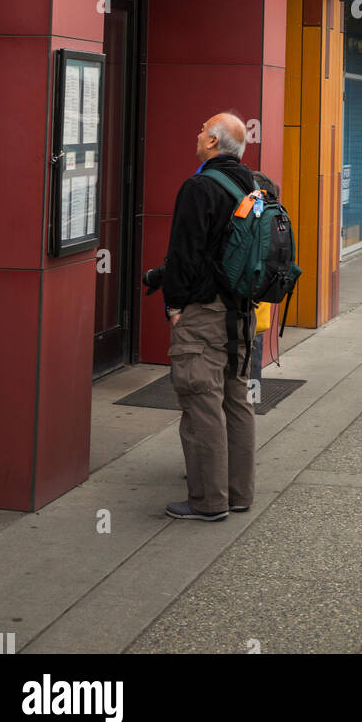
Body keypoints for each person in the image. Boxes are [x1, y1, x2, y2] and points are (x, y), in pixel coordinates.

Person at [157, 112, 258, 521]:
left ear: (214, 143)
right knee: (237, 401)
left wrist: (175, 306)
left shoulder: (199, 187)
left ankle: (207, 501)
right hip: (243, 313)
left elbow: (183, 254)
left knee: (201, 403)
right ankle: (239, 494)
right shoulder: (254, 184)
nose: (197, 134)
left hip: (204, 313)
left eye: (202, 130)